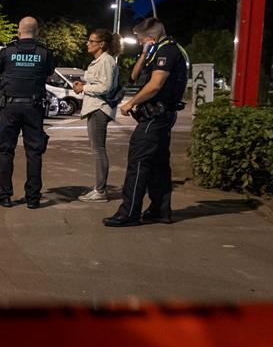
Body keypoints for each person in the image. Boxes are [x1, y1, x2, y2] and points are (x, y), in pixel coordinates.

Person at [104, 17, 189, 227]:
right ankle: (159, 210)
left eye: (141, 39)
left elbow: (155, 85)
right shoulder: (155, 50)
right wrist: (144, 53)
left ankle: (129, 212)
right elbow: (134, 76)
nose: (140, 42)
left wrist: (130, 103)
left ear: (150, 36)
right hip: (157, 116)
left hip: (156, 116)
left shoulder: (168, 51)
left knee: (138, 162)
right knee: (159, 165)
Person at [0, 17, 56, 208]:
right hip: (34, 108)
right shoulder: (45, 53)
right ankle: (33, 198)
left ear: (19, 31)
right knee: (34, 153)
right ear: (37, 32)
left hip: (10, 107)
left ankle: (4, 196)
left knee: (5, 151)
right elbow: (49, 74)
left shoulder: (7, 51)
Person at [72, 29, 122, 202]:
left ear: (101, 44)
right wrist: (84, 84)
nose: (88, 43)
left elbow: (105, 87)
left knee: (98, 150)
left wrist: (83, 88)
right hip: (96, 108)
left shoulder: (106, 61)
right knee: (97, 149)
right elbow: (99, 83)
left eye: (91, 41)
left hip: (99, 109)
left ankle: (100, 191)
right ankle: (99, 189)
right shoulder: (101, 61)